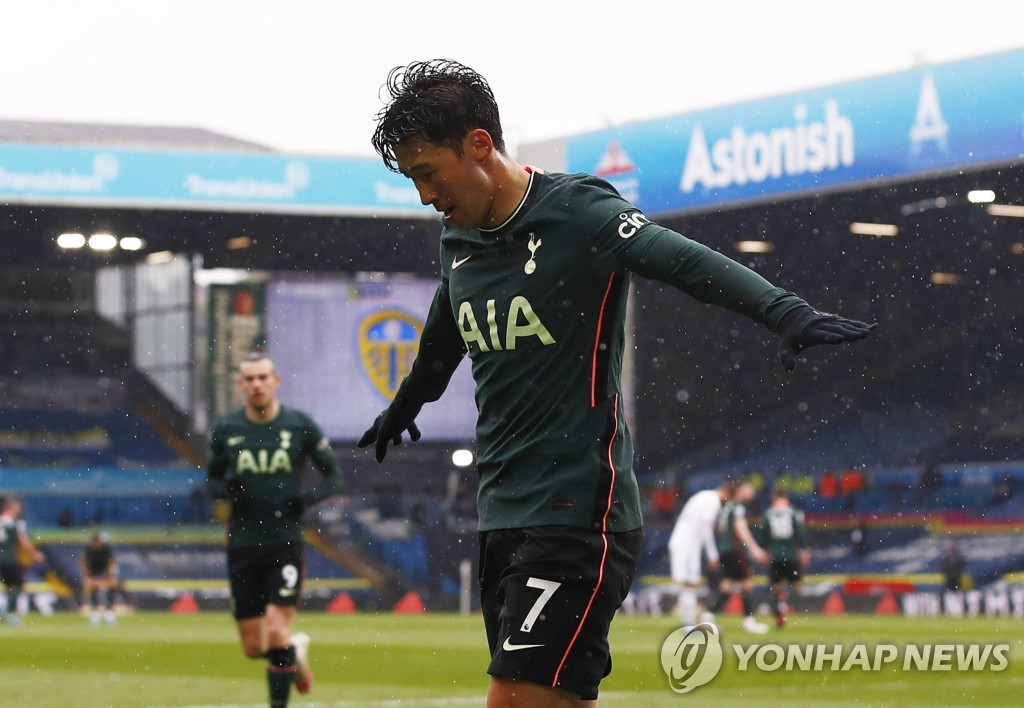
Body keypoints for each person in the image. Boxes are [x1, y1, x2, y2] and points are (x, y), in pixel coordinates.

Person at [360, 59, 876, 706]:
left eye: (427, 174)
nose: (424, 196)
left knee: (514, 700)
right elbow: (446, 327)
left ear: (479, 145)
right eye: (413, 180)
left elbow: (681, 259)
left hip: (577, 512)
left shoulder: (578, 213)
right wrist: (408, 400)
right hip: (503, 513)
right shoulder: (458, 239)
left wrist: (784, 311)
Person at [206, 352, 343, 708]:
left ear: (276, 381)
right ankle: (294, 654)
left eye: (263, 377)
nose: (257, 385)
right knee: (256, 647)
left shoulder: (300, 425)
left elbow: (334, 475)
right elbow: (211, 478)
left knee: (278, 630)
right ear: (240, 385)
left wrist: (308, 498)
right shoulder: (226, 429)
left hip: (285, 540)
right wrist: (223, 489)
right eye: (249, 379)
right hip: (243, 542)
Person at [705, 480, 771, 633]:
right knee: (747, 583)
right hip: (734, 550)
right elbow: (740, 529)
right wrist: (754, 549)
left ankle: (708, 616)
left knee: (727, 584)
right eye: (748, 490)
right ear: (739, 489)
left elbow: (719, 527)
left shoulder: (726, 506)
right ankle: (749, 621)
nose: (751, 495)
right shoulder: (737, 507)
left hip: (724, 549)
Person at [667, 481, 736, 627]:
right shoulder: (712, 501)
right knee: (689, 585)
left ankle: (689, 623)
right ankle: (688, 624)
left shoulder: (703, 497)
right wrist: (712, 555)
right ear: (727, 494)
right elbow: (706, 528)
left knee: (689, 585)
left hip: (686, 545)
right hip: (686, 547)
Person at [759, 487, 810, 628]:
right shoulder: (794, 512)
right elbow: (800, 533)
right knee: (796, 585)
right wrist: (804, 549)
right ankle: (787, 606)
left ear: (774, 496)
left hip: (775, 554)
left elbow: (765, 534)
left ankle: (780, 608)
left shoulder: (768, 513)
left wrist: (764, 550)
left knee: (776, 586)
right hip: (790, 554)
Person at [0, 496, 45, 627]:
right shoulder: (17, 523)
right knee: (17, 585)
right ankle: (8, 613)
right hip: (9, 559)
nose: (19, 509)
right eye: (16, 507)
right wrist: (34, 554)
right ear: (11, 508)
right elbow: (23, 541)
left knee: (11, 586)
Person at [80, 530, 118, 626]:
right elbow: (83, 562)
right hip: (93, 568)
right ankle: (95, 611)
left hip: (105, 567)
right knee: (92, 586)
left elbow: (111, 563)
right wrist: (87, 577)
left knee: (113, 584)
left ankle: (109, 611)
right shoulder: (88, 548)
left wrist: (110, 577)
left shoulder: (107, 549)